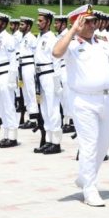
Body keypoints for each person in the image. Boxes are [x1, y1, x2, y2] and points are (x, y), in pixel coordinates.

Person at [53, 5, 109, 207]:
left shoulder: (102, 41)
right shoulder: (71, 44)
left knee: (103, 144)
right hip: (84, 100)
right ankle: (90, 188)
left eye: (93, 21)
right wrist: (72, 31)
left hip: (105, 99)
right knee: (89, 144)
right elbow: (56, 52)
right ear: (77, 24)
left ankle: (85, 176)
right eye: (87, 21)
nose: (92, 24)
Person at [33, 9, 62, 154]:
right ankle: (49, 139)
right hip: (40, 75)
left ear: (48, 22)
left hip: (50, 75)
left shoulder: (52, 38)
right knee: (44, 109)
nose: (38, 23)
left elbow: (56, 60)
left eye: (41, 21)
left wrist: (57, 82)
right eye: (38, 21)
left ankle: (56, 142)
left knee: (53, 108)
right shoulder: (40, 37)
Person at [0, 12, 20, 148]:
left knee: (8, 106)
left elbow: (14, 60)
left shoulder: (8, 38)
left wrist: (12, 80)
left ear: (3, 24)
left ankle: (12, 137)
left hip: (5, 74)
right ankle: (6, 134)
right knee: (2, 107)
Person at [54, 14, 75, 134]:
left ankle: (70, 121)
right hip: (60, 69)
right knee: (63, 96)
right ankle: (66, 121)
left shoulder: (68, 36)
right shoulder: (59, 36)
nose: (55, 25)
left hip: (66, 68)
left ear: (63, 24)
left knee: (67, 96)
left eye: (57, 23)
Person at [17, 17, 39, 129]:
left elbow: (36, 54)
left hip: (29, 66)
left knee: (31, 93)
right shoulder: (22, 38)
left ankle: (34, 119)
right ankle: (30, 116)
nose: (20, 26)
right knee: (25, 93)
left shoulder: (31, 38)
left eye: (22, 25)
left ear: (28, 26)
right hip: (22, 66)